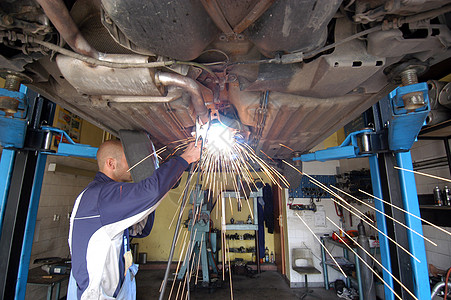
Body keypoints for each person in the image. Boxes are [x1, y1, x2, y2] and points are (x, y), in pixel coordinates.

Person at [67, 139, 201, 299]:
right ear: (111, 163)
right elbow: (151, 192)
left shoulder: (99, 194)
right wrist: (186, 158)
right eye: (128, 160)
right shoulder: (104, 195)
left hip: (114, 290)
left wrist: (157, 187)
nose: (133, 165)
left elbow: (140, 229)